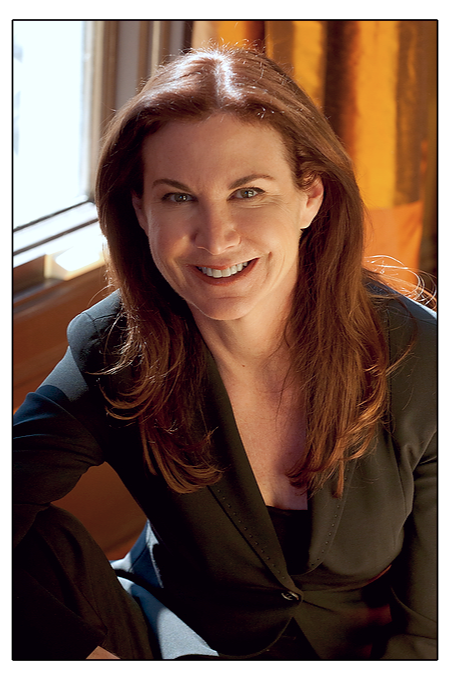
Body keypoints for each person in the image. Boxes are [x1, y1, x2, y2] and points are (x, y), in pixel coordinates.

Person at [14, 46, 436, 660]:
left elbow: (428, 631)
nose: (215, 238)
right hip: (171, 637)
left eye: (249, 192)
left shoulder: (419, 357)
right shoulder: (117, 348)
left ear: (309, 197)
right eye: (178, 197)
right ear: (140, 209)